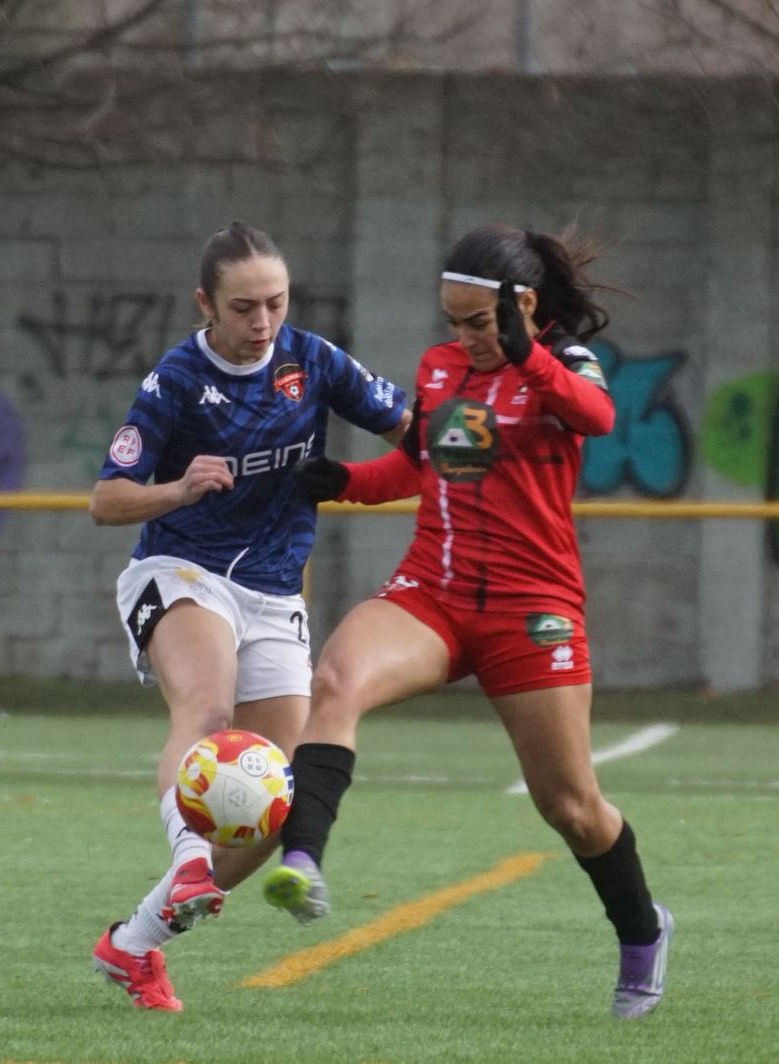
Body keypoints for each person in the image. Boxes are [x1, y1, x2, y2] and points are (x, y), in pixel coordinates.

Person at [267, 223, 673, 1020]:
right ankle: (303, 861)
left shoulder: (564, 365)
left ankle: (641, 928)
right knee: (337, 681)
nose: (462, 337)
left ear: (522, 307)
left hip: (532, 610)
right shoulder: (441, 368)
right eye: (453, 321)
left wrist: (526, 353)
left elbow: (596, 418)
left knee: (570, 807)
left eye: (477, 322)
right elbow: (420, 467)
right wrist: (343, 478)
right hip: (434, 592)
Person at [86, 221, 411, 1011]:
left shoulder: (314, 361)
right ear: (206, 304)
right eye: (243, 307)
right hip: (181, 568)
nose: (262, 321)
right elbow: (106, 501)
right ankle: (189, 852)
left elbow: (416, 432)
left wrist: (372, 472)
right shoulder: (174, 381)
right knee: (208, 711)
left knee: (277, 801)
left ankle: (132, 945)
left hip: (272, 590)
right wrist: (177, 488)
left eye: (275, 302)